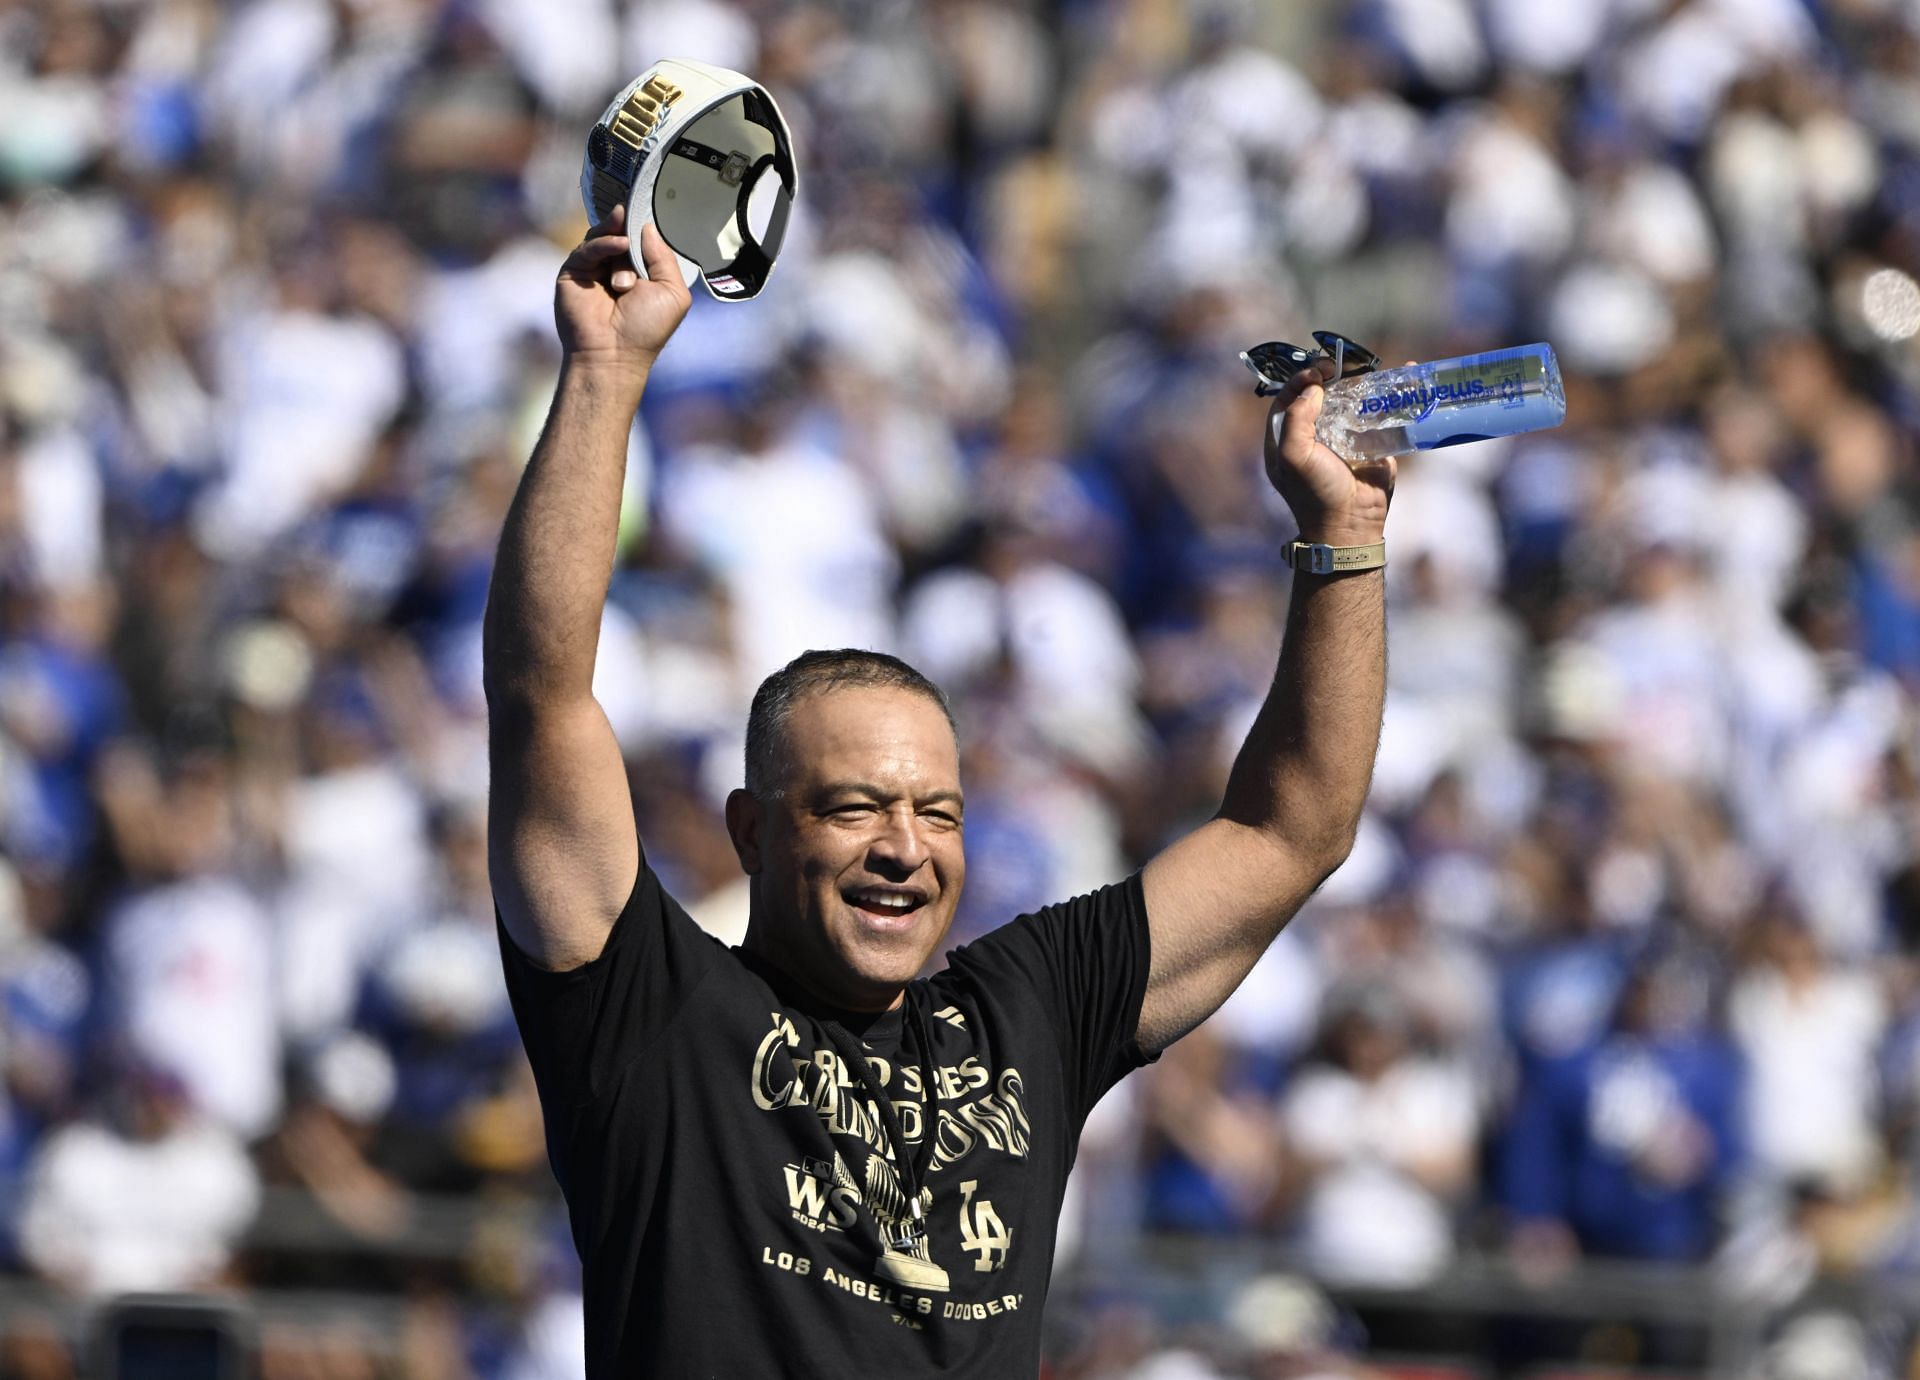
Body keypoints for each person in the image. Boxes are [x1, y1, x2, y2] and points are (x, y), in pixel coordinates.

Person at [483, 205, 1393, 1375]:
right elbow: (542, 697)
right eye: (854, 808)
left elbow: (1292, 828)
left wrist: (1345, 537)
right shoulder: (650, 1013)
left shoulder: (1031, 1013)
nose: (904, 848)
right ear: (753, 832)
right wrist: (606, 372)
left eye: (939, 812)